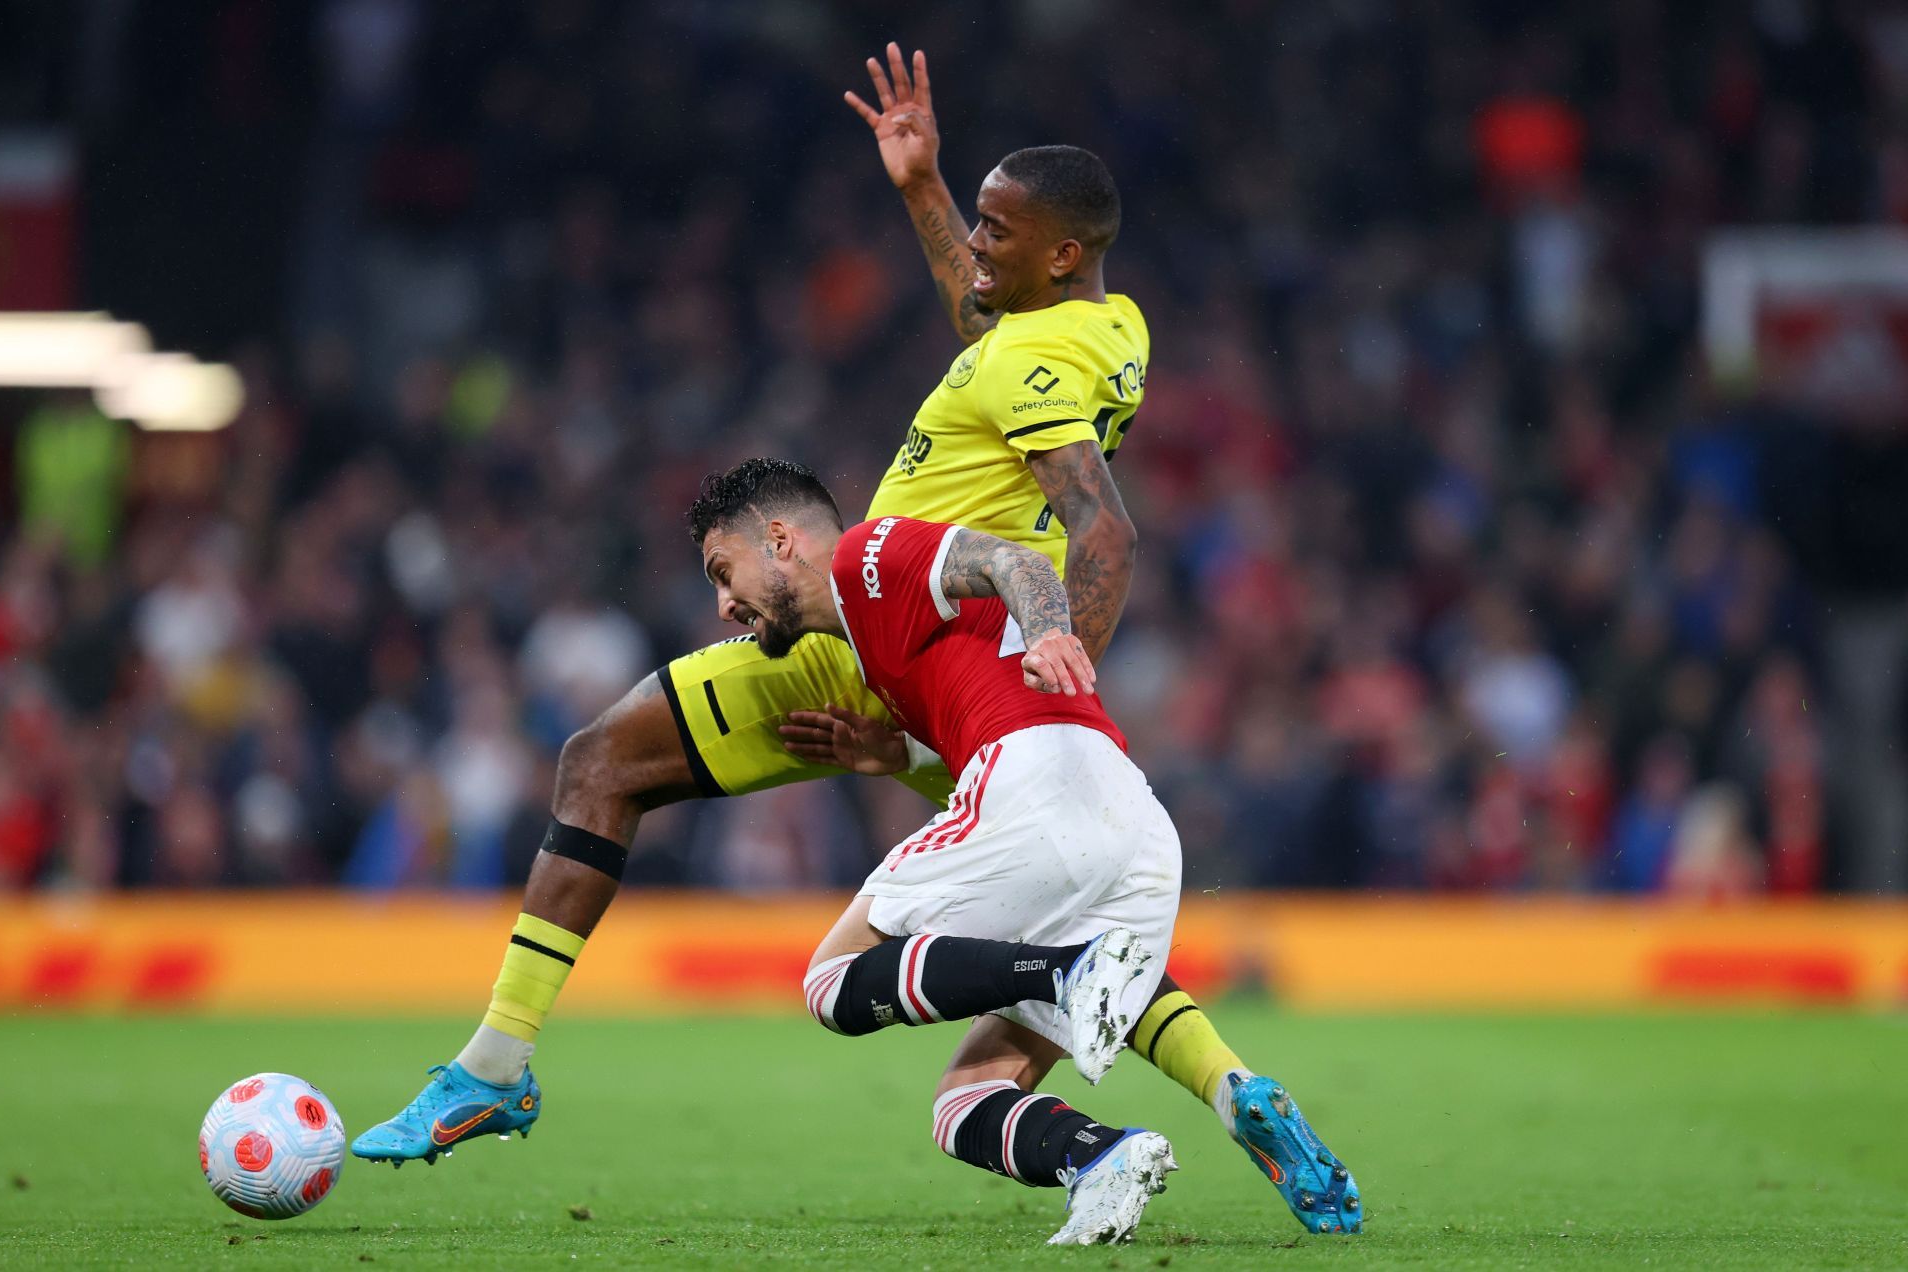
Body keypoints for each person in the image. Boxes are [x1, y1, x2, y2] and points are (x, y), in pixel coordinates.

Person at [354, 44, 1359, 1239]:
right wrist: (924, 189)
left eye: (996, 228)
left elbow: (1103, 530)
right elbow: (989, 323)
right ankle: (1229, 1084)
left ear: (1061, 251)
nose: (975, 250)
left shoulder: (1014, 381)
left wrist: (1054, 668)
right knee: (1059, 923)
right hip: (936, 673)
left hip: (918, 635)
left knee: (604, 768)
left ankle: (494, 1068)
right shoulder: (1088, 329)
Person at [695, 458, 1185, 1243]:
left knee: (830, 983)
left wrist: (1054, 627)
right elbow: (982, 692)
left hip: (1039, 782)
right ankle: (1102, 1158)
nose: (723, 605)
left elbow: (1013, 560)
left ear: (780, 539)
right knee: (965, 1103)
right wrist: (900, 758)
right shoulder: (881, 648)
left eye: (724, 572)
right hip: (1132, 826)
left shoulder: (865, 556)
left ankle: (1072, 970)